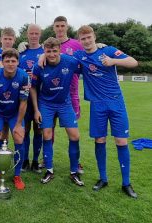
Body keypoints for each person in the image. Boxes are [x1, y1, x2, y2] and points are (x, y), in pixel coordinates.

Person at [74, 25, 138, 198]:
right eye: (83, 38)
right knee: (100, 139)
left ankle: (126, 183)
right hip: (97, 104)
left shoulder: (108, 50)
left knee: (121, 141)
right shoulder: (79, 56)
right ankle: (103, 178)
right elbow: (59, 55)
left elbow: (133, 62)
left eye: (89, 37)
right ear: (79, 41)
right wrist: (43, 54)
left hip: (116, 102)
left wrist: (113, 61)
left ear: (94, 37)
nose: (86, 41)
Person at [30, 37, 84, 186]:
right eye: (48, 51)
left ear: (59, 50)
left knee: (74, 136)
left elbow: (86, 64)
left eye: (54, 51)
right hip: (46, 104)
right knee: (46, 135)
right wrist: (36, 110)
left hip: (64, 104)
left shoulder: (70, 61)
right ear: (44, 51)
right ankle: (49, 170)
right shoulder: (39, 66)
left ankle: (74, 171)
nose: (52, 54)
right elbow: (33, 87)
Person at [0, 48, 30, 190]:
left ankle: (17, 175)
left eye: (13, 61)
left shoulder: (23, 77)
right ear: (2, 62)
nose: (10, 64)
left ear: (18, 62)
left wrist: (18, 124)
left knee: (19, 138)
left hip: (14, 114)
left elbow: (23, 102)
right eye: (7, 61)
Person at [18, 24, 44, 173]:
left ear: (40, 34)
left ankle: (36, 161)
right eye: (31, 33)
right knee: (25, 130)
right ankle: (24, 160)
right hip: (23, 97)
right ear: (27, 34)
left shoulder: (44, 51)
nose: (33, 36)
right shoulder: (22, 52)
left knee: (39, 129)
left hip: (41, 97)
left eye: (36, 33)